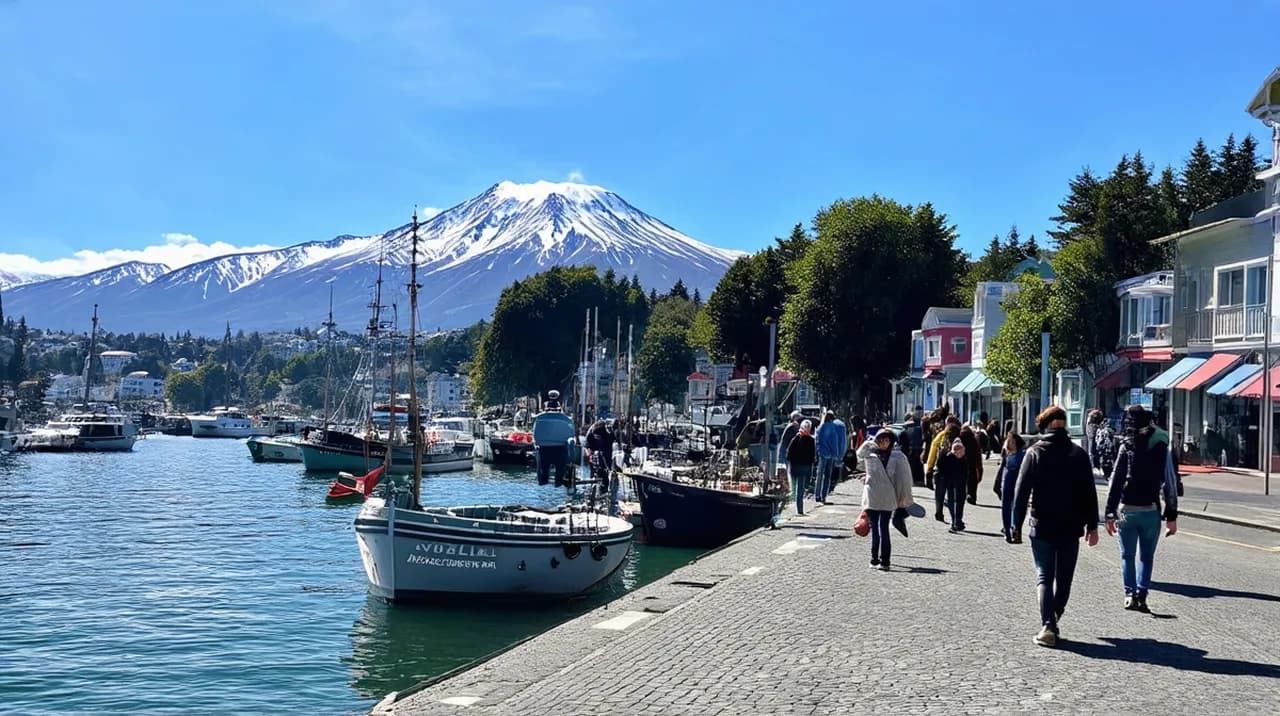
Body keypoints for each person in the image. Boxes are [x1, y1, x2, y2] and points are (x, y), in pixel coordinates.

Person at [1013, 405, 1100, 648]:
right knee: (1064, 579)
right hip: (1071, 527)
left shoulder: (1035, 452)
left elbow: (1021, 493)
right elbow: (1089, 493)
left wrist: (1015, 526)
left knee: (1044, 575)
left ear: (1044, 425)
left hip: (1041, 525)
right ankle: (1054, 617)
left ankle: (1047, 625)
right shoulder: (1078, 454)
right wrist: (1092, 526)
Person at [1105, 405, 1179, 613]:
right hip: (1150, 509)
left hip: (1126, 508)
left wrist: (1109, 512)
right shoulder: (1161, 447)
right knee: (1146, 557)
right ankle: (1142, 594)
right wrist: (1171, 515)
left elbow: (1115, 482)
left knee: (1127, 555)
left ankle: (1129, 594)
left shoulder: (1125, 446)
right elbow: (1169, 485)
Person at [857, 429, 915, 570]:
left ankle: (885, 561)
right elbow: (858, 457)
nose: (883, 443)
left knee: (883, 529)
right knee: (875, 529)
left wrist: (903, 499)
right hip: (872, 496)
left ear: (891, 441)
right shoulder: (870, 454)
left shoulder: (898, 457)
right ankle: (874, 558)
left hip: (888, 497)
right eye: (880, 440)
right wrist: (869, 443)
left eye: (886, 440)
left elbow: (903, 479)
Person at [926, 418, 961, 520]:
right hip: (953, 472)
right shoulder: (959, 438)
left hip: (940, 470)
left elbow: (933, 452)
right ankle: (954, 518)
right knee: (951, 496)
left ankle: (939, 512)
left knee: (939, 494)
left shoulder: (941, 436)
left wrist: (929, 468)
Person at [996, 431, 1027, 543]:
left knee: (1014, 506)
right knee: (1008, 507)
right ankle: (1008, 530)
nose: (1007, 443)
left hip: (1015, 483)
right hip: (1008, 483)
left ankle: (1013, 529)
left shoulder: (1021, 456)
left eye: (1009, 441)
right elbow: (1001, 470)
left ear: (1014, 443)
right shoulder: (1008, 455)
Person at [937, 437, 969, 531]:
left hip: (950, 482)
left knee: (952, 502)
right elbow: (967, 470)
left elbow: (940, 467)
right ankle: (957, 521)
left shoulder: (947, 456)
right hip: (960, 482)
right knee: (959, 502)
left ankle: (955, 521)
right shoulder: (964, 458)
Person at [815, 410, 847, 504]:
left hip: (822, 453)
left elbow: (817, 440)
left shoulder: (821, 427)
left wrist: (818, 452)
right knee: (827, 476)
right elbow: (836, 442)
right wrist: (838, 455)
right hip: (831, 454)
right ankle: (824, 496)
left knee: (819, 475)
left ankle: (817, 495)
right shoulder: (834, 427)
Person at [786, 420, 817, 516]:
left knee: (795, 487)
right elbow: (813, 456)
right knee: (800, 488)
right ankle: (798, 508)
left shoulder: (796, 439)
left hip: (796, 467)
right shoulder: (811, 440)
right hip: (804, 467)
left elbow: (789, 453)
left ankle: (795, 506)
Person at [959, 425, 983, 505]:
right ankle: (971, 495)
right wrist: (980, 468)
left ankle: (961, 495)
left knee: (961, 479)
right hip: (972, 463)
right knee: (972, 479)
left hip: (961, 461)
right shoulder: (974, 440)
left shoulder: (959, 439)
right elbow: (978, 454)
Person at [900, 413, 925, 486]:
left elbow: (902, 443)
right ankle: (919, 480)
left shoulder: (905, 430)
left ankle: (914, 480)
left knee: (912, 466)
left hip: (910, 451)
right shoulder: (919, 429)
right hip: (917, 450)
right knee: (917, 466)